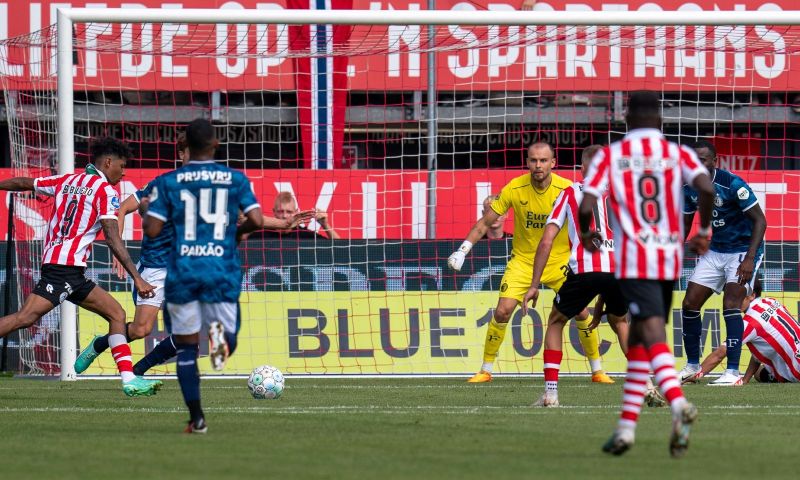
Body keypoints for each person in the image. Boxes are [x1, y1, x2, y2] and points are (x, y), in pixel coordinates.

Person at [579, 90, 715, 457]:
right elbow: (706, 188)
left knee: (650, 328)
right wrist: (702, 230)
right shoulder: (679, 153)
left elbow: (588, 202)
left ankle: (679, 404)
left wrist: (587, 233)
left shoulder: (610, 155)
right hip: (669, 256)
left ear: (625, 119)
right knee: (640, 335)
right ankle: (625, 429)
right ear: (660, 121)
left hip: (634, 258)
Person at [0, 138, 162, 396]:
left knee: (116, 314)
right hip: (63, 268)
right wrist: (137, 278)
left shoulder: (66, 180)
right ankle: (128, 378)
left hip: (69, 270)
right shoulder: (105, 191)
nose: (124, 172)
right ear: (108, 163)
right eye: (121, 166)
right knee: (25, 318)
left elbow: (24, 183)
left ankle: (129, 379)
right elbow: (111, 237)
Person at [448, 141, 613, 384]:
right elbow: (485, 222)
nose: (538, 165)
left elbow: (590, 223)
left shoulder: (566, 189)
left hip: (560, 261)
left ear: (553, 163)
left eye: (543, 161)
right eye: (534, 160)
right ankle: (485, 369)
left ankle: (597, 370)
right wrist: (463, 250)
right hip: (524, 262)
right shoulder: (515, 188)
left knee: (580, 311)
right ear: (527, 162)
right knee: (503, 311)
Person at [142, 118, 267, 433]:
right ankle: (218, 347)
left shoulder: (168, 183)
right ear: (216, 144)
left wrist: (149, 208)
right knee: (226, 342)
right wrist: (236, 236)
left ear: (186, 146)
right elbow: (257, 219)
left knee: (185, 348)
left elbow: (152, 229)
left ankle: (196, 418)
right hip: (220, 270)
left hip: (183, 271)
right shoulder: (234, 179)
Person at [74, 134, 191, 375]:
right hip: (156, 268)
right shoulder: (162, 184)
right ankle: (100, 343)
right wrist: (118, 248)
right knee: (140, 331)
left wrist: (282, 224)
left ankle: (138, 371)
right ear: (181, 154)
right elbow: (124, 207)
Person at [522, 145, 630, 407]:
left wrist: (534, 285)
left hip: (583, 270)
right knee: (622, 322)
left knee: (556, 320)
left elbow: (547, 241)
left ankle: (551, 393)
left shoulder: (570, 192)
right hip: (619, 270)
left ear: (581, 169)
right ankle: (646, 383)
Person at [678, 139, 767, 386]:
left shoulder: (732, 184)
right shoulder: (687, 187)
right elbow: (685, 225)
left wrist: (749, 259)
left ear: (714, 161)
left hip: (742, 250)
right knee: (689, 303)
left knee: (731, 304)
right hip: (715, 249)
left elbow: (760, 221)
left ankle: (732, 371)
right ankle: (692, 366)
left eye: (703, 160)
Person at [692, 280, 800, 385]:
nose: (732, 301)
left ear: (752, 295)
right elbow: (761, 349)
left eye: (738, 296)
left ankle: (787, 377)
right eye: (730, 296)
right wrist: (746, 379)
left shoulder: (749, 323)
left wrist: (695, 374)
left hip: (797, 369)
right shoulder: (771, 301)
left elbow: (720, 354)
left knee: (764, 372)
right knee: (758, 374)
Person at [246, 191, 340, 240]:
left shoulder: (304, 235)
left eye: (289, 212)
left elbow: (340, 248)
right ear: (274, 212)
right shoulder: (260, 235)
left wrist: (325, 225)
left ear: (296, 212)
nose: (285, 216)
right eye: (280, 211)